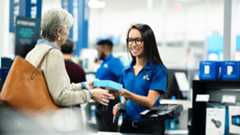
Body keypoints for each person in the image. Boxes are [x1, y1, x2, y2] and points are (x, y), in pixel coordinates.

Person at [25, 9, 113, 107]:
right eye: (67, 29)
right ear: (59, 31)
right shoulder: (53, 54)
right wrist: (90, 94)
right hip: (46, 117)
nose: (68, 34)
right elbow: (61, 97)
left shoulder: (33, 52)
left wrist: (84, 85)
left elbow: (56, 87)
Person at [113, 24, 168, 134]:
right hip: (127, 126)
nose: (133, 44)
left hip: (150, 128)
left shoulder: (158, 70)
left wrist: (128, 94)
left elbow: (150, 102)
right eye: (130, 40)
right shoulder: (126, 71)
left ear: (148, 42)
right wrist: (121, 105)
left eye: (138, 40)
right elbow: (128, 101)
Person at [95, 38, 124, 131]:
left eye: (98, 50)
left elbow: (123, 79)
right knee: (101, 131)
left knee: (108, 131)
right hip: (101, 102)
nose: (97, 53)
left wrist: (115, 90)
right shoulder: (104, 63)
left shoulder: (114, 62)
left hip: (110, 104)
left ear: (105, 48)